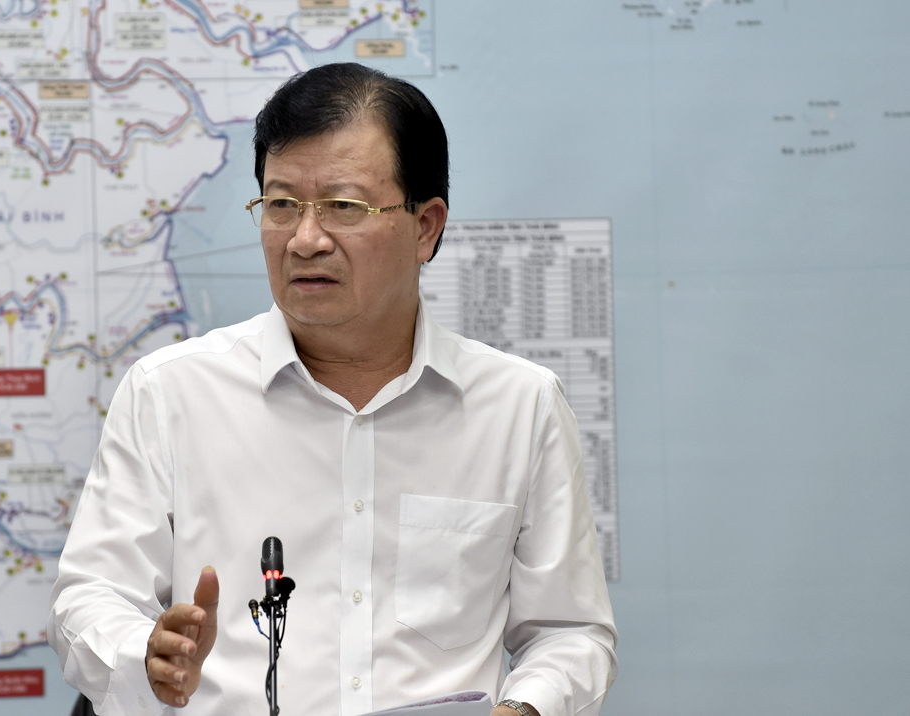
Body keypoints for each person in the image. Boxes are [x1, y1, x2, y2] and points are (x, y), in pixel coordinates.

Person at [48, 62, 617, 716]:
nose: (305, 239)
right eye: (281, 204)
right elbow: (89, 597)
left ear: (425, 227)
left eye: (343, 207)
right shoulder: (169, 393)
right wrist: (142, 654)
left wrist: (524, 708)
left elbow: (569, 633)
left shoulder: (519, 407)